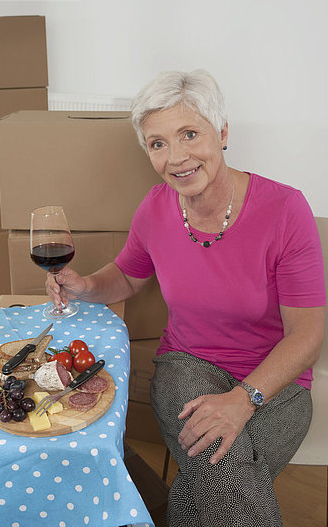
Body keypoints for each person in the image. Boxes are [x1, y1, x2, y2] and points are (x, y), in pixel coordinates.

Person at [46, 69, 326, 526]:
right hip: (188, 368)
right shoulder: (155, 207)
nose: (175, 157)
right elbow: (127, 276)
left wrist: (242, 398)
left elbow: (308, 334)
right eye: (157, 144)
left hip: (276, 386)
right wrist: (86, 286)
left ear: (223, 132)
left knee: (217, 476)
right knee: (223, 469)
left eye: (189, 134)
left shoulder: (285, 210)